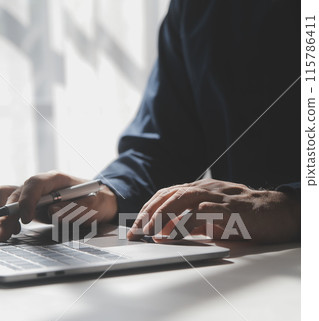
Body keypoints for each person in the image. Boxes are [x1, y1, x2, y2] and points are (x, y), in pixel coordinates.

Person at [0, 0, 300, 244]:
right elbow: (165, 147)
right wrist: (107, 194)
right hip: (245, 259)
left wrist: (294, 207)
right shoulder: (195, 9)